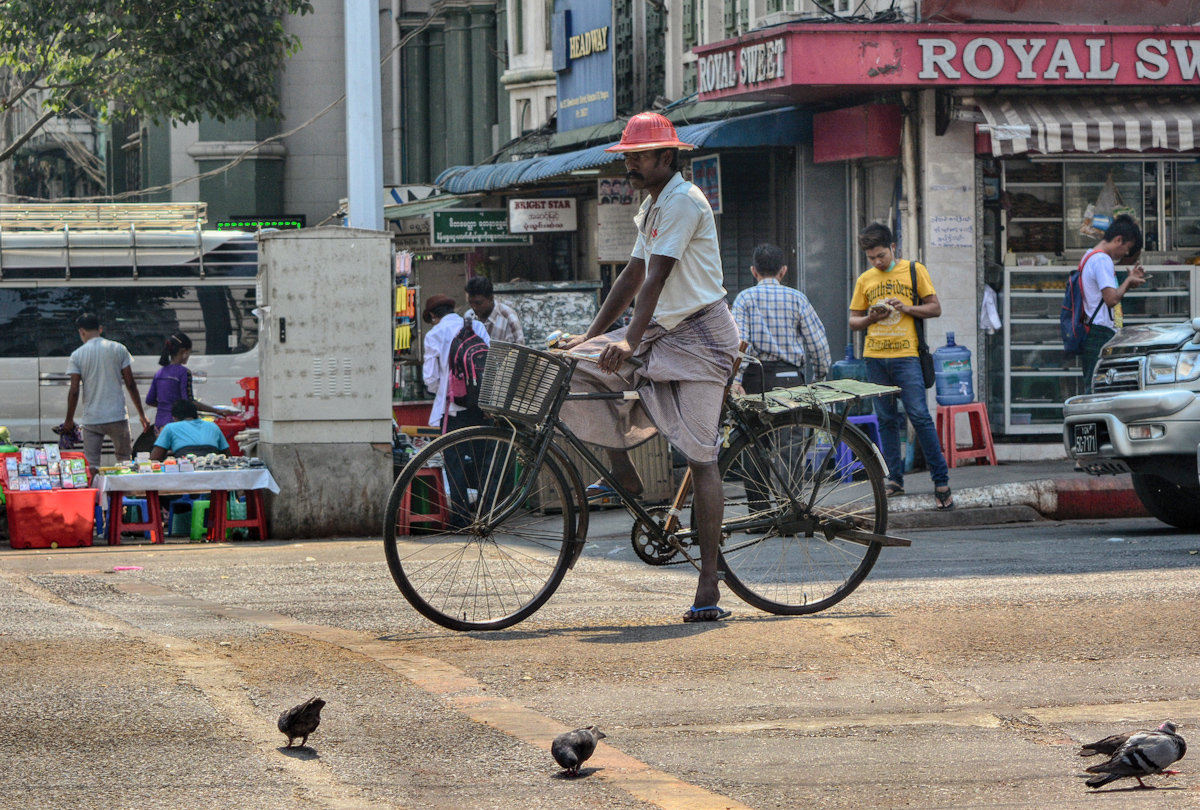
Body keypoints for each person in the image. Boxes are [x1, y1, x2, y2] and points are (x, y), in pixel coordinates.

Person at [559, 112, 740, 624]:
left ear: (668, 157)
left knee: (702, 460)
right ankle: (625, 475)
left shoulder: (683, 200)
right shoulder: (653, 204)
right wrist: (595, 337)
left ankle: (709, 582)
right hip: (663, 332)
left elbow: (656, 278)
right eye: (629, 157)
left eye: (639, 156)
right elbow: (631, 277)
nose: (632, 165)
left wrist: (629, 340)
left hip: (703, 338)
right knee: (574, 366)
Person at [848, 223, 954, 510]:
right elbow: (853, 321)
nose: (877, 262)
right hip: (875, 357)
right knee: (886, 420)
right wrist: (872, 318)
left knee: (919, 416)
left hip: (907, 356)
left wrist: (906, 308)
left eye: (881, 255)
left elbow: (935, 308)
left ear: (893, 248)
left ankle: (941, 481)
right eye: (871, 258)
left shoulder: (913, 270)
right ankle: (894, 479)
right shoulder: (865, 279)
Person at [731, 243, 831, 395]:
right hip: (790, 379)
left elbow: (742, 341)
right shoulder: (798, 299)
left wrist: (736, 380)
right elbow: (818, 345)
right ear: (783, 271)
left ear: (754, 271)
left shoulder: (744, 298)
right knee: (793, 420)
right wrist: (818, 378)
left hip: (755, 379)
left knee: (755, 419)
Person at [62, 313, 151, 474]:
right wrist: (141, 414)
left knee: (92, 463)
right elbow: (130, 384)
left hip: (92, 418)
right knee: (124, 459)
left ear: (82, 331)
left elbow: (74, 390)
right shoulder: (119, 349)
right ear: (100, 329)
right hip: (117, 416)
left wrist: (69, 419)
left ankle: (96, 497)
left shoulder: (77, 355)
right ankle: (124, 496)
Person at [1080, 215, 1145, 393]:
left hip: (1091, 330)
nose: (1125, 254)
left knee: (1094, 384)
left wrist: (1128, 282)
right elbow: (1111, 299)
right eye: (1127, 248)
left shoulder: (1089, 255)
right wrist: (1128, 282)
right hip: (1100, 332)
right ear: (1118, 240)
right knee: (1100, 387)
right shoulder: (1102, 260)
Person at [144, 333, 228, 433]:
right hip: (177, 425)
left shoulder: (159, 373)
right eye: (189, 352)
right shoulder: (184, 372)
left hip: (159, 426)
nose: (188, 356)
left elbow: (149, 400)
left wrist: (165, 405)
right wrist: (216, 411)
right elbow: (189, 402)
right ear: (183, 351)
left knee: (162, 448)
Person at [149, 399, 229, 461]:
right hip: (212, 467)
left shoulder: (170, 427)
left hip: (186, 468)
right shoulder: (213, 426)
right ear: (196, 415)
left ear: (175, 418)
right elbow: (228, 455)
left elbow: (155, 458)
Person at [465, 276, 525, 346]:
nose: (474, 307)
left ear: (491, 298)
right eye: (471, 303)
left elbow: (519, 350)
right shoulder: (468, 317)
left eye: (478, 303)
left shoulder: (508, 318)